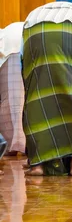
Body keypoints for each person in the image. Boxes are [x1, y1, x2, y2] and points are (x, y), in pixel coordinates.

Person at [22, 2, 72, 176]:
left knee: (37, 100)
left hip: (32, 29)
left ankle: (37, 165)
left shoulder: (36, 11)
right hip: (68, 29)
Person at [0, 22, 26, 156]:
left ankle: (12, 145)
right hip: (13, 48)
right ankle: (12, 145)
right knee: (13, 101)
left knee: (13, 101)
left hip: (14, 48)